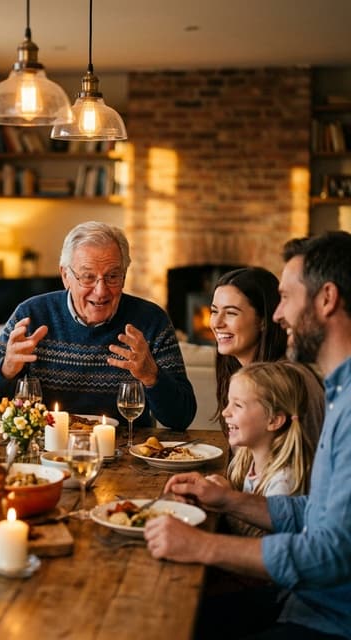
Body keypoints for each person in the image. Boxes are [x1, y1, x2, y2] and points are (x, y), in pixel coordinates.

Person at [144, 231, 351, 639]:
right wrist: (230, 499)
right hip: (302, 599)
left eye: (286, 298)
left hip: (328, 619)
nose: (277, 315)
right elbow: (316, 515)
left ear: (326, 299)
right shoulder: (339, 391)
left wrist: (203, 546)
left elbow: (333, 554)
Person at [0, 221, 196, 429]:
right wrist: (6, 369)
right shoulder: (31, 315)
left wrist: (152, 376)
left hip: (128, 455)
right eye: (88, 277)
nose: (101, 291)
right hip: (47, 453)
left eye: (112, 276)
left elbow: (182, 418)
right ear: (65, 275)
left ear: (125, 275)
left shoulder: (151, 320)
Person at [210, 266, 324, 468]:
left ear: (263, 321)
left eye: (231, 313)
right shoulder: (245, 377)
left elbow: (288, 479)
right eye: (214, 311)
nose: (216, 323)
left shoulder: (282, 381)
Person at [210, 361, 320, 539]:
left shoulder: (284, 482)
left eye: (237, 405)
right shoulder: (247, 463)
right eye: (228, 402)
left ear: (273, 420)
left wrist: (226, 500)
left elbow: (263, 542)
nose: (225, 412)